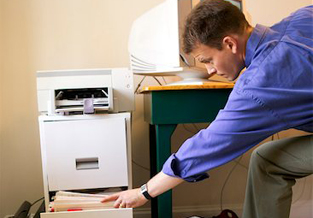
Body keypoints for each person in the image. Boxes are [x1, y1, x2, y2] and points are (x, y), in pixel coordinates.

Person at [102, 1, 313, 217]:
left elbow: (207, 145)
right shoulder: (300, 17)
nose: (210, 70)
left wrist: (143, 192)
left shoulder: (258, 85)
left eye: (208, 60)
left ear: (230, 43)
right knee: (265, 158)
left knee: (267, 163)